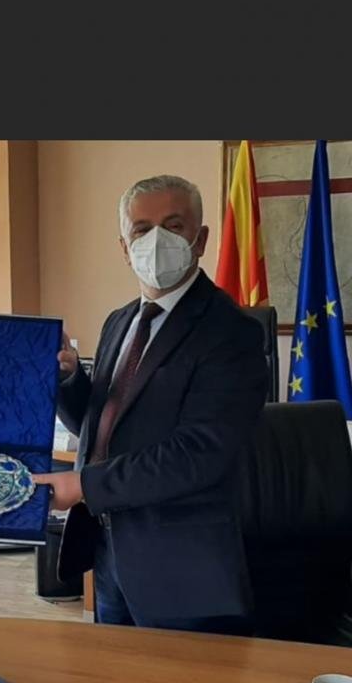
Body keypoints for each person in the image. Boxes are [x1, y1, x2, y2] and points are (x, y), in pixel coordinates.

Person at [33, 175, 268, 635]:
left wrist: (83, 484)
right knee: (119, 674)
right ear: (125, 247)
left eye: (173, 226)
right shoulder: (119, 321)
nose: (156, 240)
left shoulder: (231, 332)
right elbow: (100, 427)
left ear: (201, 240)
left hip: (181, 567)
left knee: (183, 681)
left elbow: (199, 453)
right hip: (108, 551)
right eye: (141, 229)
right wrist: (68, 379)